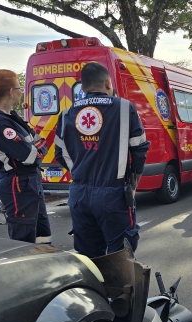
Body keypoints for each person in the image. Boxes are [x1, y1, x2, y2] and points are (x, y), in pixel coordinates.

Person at [55, 62, 150, 258]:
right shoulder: (124, 108)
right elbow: (139, 151)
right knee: (121, 256)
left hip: (78, 194)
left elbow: (59, 153)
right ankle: (121, 289)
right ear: (108, 83)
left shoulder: (66, 114)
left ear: (82, 88)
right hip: (113, 193)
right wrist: (134, 185)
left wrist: (78, 173)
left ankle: (95, 289)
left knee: (89, 259)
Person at [0, 69, 52, 242]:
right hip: (18, 185)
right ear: (10, 92)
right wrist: (37, 148)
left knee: (42, 232)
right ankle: (25, 268)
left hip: (30, 180)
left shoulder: (13, 118)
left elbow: (41, 143)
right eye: (19, 87)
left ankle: (43, 263)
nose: (22, 91)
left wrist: (37, 147)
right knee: (23, 239)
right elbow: (31, 155)